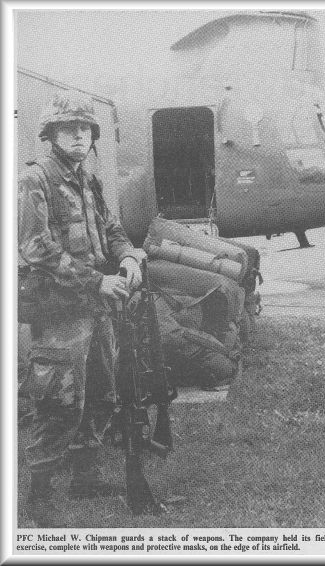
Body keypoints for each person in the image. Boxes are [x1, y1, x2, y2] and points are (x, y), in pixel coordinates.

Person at [18, 91, 146, 527]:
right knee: (58, 399)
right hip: (59, 309)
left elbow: (111, 229)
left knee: (101, 390)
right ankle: (39, 497)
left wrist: (129, 256)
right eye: (68, 128)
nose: (78, 135)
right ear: (50, 134)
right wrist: (98, 280)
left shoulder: (89, 179)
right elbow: (36, 247)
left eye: (85, 128)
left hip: (99, 305)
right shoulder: (36, 179)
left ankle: (85, 478)